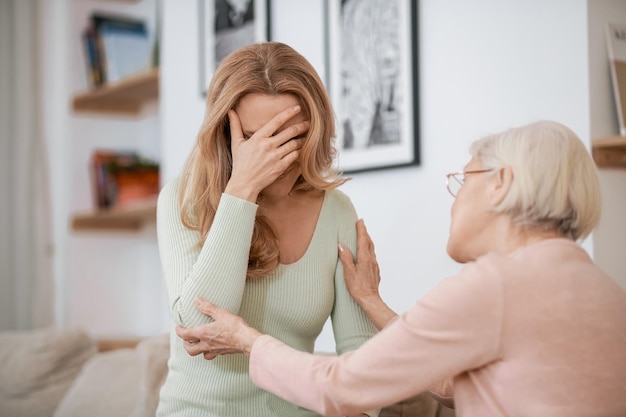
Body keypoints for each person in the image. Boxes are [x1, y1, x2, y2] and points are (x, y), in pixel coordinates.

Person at [175, 120, 626, 417]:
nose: (454, 201)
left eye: (462, 180)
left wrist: (247, 340)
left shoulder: (494, 288)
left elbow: (341, 387)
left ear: (501, 183)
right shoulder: (607, 293)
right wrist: (370, 301)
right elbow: (453, 382)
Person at [155, 41, 379, 417]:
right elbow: (201, 325)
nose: (278, 157)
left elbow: (360, 362)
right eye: (260, 139)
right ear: (226, 135)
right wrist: (242, 189)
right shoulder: (183, 198)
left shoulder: (336, 212)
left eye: (293, 137)